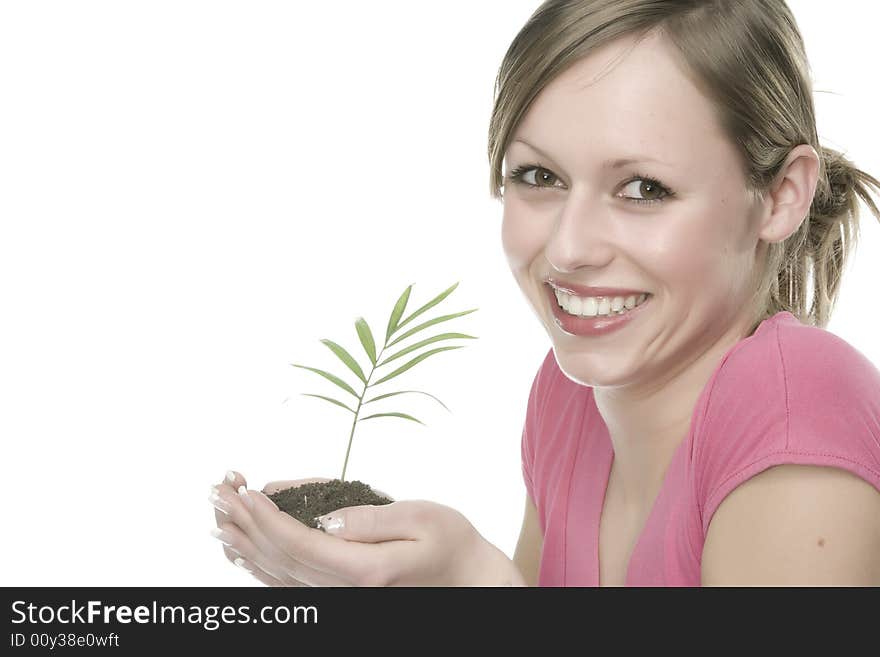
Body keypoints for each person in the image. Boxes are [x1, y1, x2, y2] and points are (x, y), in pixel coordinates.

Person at [209, 0, 880, 586]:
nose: (567, 249)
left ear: (780, 196)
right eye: (538, 175)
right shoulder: (569, 403)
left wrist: (478, 586)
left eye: (643, 188)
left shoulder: (795, 408)